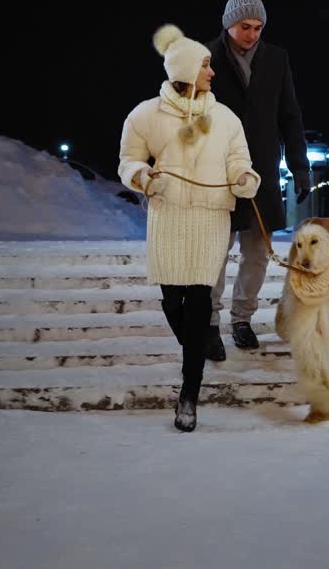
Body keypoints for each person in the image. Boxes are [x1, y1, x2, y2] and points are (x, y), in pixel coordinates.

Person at [118, 24, 260, 432]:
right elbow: (127, 161)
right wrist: (143, 176)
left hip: (211, 218)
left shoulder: (225, 117)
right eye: (205, 65)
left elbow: (239, 159)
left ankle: (189, 394)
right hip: (168, 217)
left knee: (199, 301)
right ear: (184, 68)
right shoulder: (145, 115)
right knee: (172, 303)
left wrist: (245, 178)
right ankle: (194, 352)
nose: (212, 72)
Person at [206, 0, 310, 359]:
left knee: (257, 251)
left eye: (258, 27)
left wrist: (300, 166)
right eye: (245, 27)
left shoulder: (276, 58)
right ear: (228, 24)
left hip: (262, 169)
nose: (252, 34)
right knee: (215, 251)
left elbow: (290, 116)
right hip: (216, 170)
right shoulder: (206, 58)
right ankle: (209, 323)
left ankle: (241, 319)